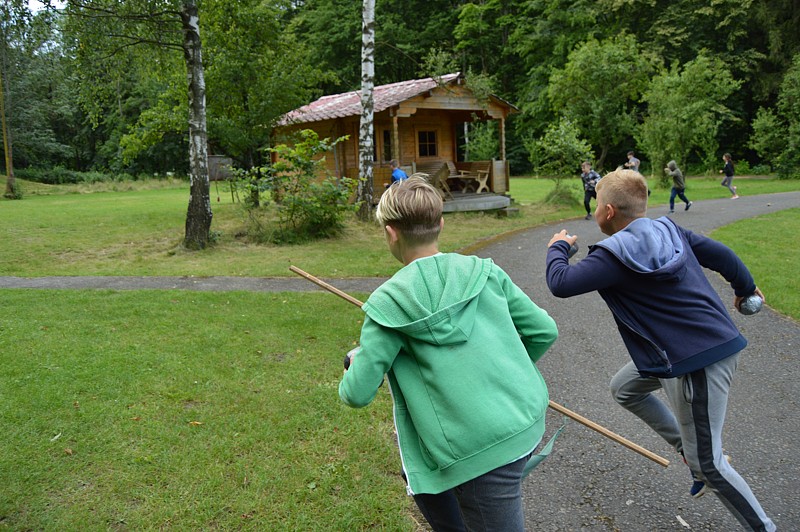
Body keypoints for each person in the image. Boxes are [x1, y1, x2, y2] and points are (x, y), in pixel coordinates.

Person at [545, 169, 774, 531]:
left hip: (698, 360)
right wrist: (745, 289)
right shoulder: (670, 229)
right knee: (625, 388)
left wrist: (558, 247)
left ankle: (762, 526)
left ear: (606, 212)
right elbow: (722, 255)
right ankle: (689, 451)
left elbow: (561, 283)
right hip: (687, 350)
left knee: (711, 465)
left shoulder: (612, 256)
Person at [340, 177, 558, 531]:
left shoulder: (388, 304)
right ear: (441, 224)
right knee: (438, 494)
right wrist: (506, 368)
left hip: (477, 451)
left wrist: (355, 365)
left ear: (391, 232)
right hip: (523, 421)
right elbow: (544, 331)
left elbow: (356, 392)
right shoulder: (485, 273)